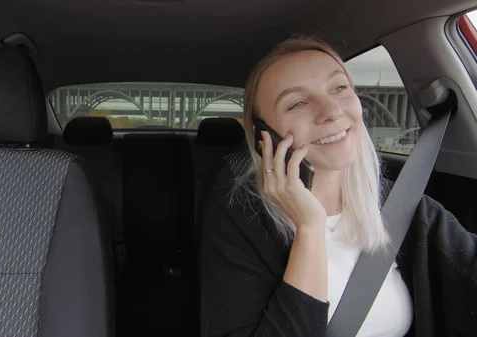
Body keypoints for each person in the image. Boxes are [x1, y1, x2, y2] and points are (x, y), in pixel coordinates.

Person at [199, 36, 477, 337]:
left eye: (339, 88)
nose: (331, 111)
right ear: (263, 135)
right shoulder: (240, 220)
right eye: (298, 103)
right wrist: (309, 227)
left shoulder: (403, 204)